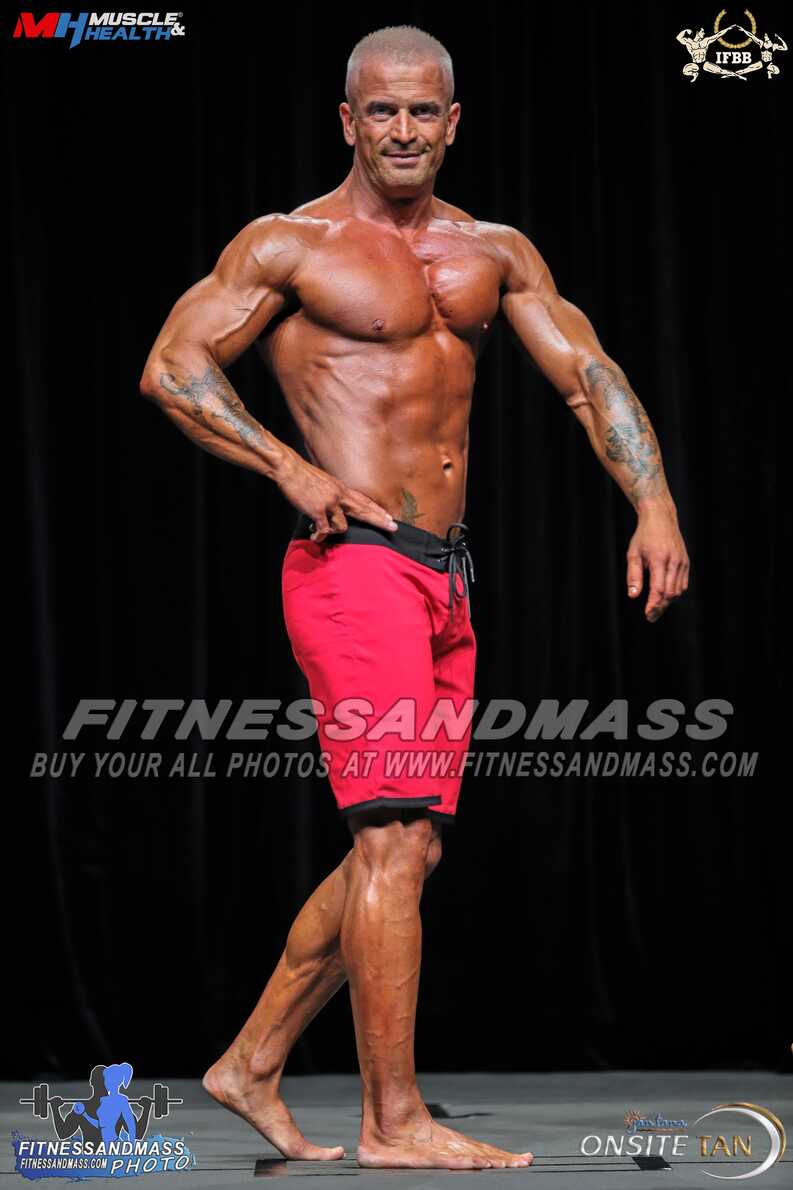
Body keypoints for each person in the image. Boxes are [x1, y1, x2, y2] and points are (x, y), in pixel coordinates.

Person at [139, 24, 689, 1171]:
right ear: (347, 120)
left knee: (411, 850)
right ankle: (392, 1120)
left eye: (421, 110)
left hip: (446, 577)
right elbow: (173, 365)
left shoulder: (493, 251)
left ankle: (251, 1060)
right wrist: (288, 467)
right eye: (380, 110)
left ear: (452, 122)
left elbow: (588, 377)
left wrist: (654, 504)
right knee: (391, 834)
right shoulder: (289, 245)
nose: (401, 130)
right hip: (352, 565)